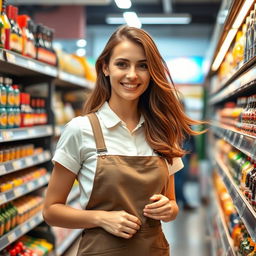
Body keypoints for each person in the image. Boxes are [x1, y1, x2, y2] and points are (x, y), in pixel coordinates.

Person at [43, 25, 204, 256]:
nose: (132, 75)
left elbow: (172, 204)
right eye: (122, 64)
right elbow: (51, 210)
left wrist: (169, 209)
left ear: (152, 72)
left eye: (143, 66)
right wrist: (100, 218)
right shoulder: (81, 129)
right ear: (105, 68)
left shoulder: (162, 130)